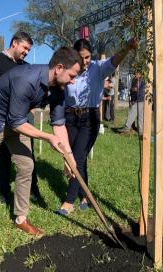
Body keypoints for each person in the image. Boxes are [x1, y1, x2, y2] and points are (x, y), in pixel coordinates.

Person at [0, 46, 82, 244]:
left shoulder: (59, 89)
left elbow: (59, 124)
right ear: (59, 68)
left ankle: (21, 218)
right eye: (72, 75)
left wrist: (69, 157)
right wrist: (47, 137)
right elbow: (17, 122)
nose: (73, 81)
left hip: (16, 121)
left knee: (26, 166)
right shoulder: (26, 79)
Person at [56, 38, 137, 215]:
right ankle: (85, 195)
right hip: (70, 117)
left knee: (76, 159)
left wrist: (127, 47)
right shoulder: (70, 68)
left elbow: (114, 60)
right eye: (80, 57)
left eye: (87, 57)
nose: (84, 61)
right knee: (80, 158)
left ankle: (69, 201)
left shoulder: (98, 68)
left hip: (89, 118)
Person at [0, 31, 40, 204]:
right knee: (3, 156)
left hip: (21, 119)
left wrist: (30, 110)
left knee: (28, 156)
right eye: (25, 48)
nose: (26, 52)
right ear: (14, 43)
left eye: (28, 49)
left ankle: (34, 189)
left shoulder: (25, 66)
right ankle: (4, 191)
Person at [118, 71, 145, 136]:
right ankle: (140, 131)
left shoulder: (141, 80)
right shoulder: (135, 80)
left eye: (136, 73)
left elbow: (136, 89)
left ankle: (127, 127)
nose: (134, 75)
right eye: (134, 74)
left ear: (140, 74)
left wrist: (132, 89)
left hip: (139, 100)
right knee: (140, 116)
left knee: (132, 113)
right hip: (139, 99)